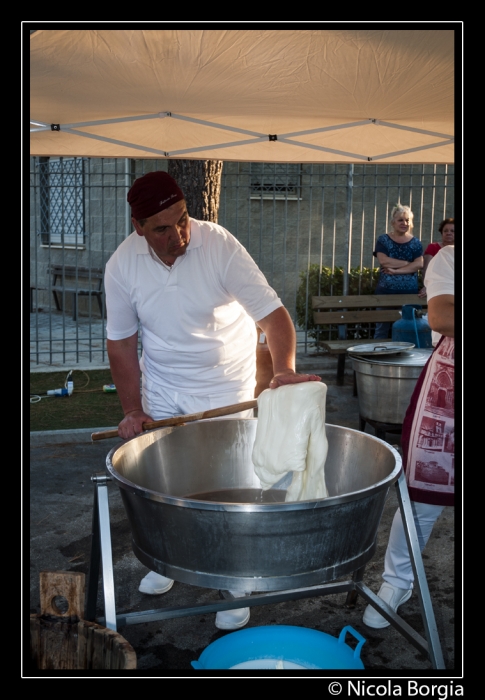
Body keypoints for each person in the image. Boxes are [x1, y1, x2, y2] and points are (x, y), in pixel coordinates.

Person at [104, 171, 321, 631]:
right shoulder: (122, 265)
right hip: (164, 390)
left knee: (229, 490)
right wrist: (131, 409)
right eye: (162, 228)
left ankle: (236, 581)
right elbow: (121, 344)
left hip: (227, 388)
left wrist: (282, 370)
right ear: (138, 226)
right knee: (169, 488)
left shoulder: (219, 244)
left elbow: (275, 317)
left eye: (182, 219)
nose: (178, 235)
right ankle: (167, 563)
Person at [363, 244, 454, 629]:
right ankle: (396, 582)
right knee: (420, 495)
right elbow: (442, 314)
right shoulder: (452, 257)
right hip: (451, 389)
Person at [373, 205, 424, 339]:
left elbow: (419, 264)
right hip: (385, 293)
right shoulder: (383, 240)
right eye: (400, 220)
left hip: (409, 293)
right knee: (381, 330)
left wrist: (396, 272)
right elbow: (384, 261)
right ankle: (378, 356)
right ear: (393, 222)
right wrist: (407, 263)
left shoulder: (415, 242)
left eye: (407, 220)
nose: (404, 223)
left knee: (409, 329)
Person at [418, 218, 455, 297]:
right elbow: (426, 270)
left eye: (452, 231)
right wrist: (427, 287)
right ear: (441, 233)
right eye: (445, 231)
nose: (448, 233)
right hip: (437, 287)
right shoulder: (433, 247)